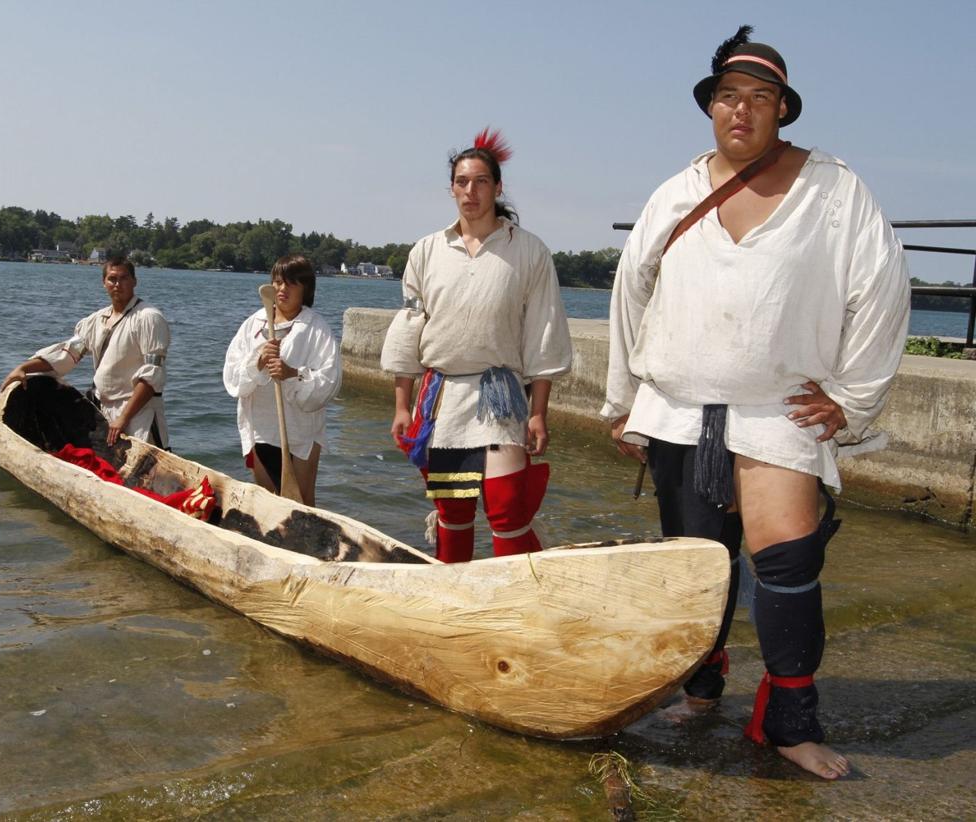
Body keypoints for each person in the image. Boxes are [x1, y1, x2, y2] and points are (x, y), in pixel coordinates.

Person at [602, 26, 910, 780]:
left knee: (788, 564)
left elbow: (884, 288)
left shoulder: (834, 189)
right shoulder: (675, 191)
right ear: (711, 108)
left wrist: (851, 397)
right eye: (728, 98)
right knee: (701, 565)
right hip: (679, 408)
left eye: (760, 99)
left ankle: (787, 723)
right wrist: (625, 399)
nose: (742, 111)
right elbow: (629, 290)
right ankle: (702, 688)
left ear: (782, 110)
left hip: (779, 412)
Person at [380, 129, 573, 562]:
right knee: (454, 511)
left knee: (506, 510)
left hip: (500, 395)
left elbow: (544, 334)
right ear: (451, 189)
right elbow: (409, 329)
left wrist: (539, 413)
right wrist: (401, 405)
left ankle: (519, 604)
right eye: (462, 182)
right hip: (442, 399)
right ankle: (453, 603)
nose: (471, 191)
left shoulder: (529, 251)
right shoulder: (427, 251)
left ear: (498, 187)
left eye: (481, 181)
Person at [0, 257, 171, 447]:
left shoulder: (149, 318)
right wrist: (23, 367)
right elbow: (68, 355)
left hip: (140, 413)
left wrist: (124, 418)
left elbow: (152, 375)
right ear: (104, 283)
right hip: (104, 410)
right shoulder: (96, 321)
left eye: (124, 278)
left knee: (149, 473)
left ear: (134, 281)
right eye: (112, 279)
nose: (118, 284)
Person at [223, 254, 341, 505]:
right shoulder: (252, 325)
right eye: (277, 282)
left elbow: (329, 382)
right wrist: (258, 363)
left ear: (305, 288)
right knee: (268, 504)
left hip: (300, 434)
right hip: (260, 430)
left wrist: (291, 374)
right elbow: (233, 377)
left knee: (303, 504)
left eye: (291, 283)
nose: (282, 289)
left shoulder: (316, 328)